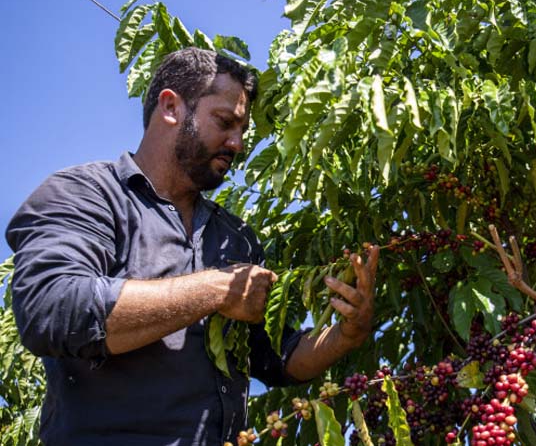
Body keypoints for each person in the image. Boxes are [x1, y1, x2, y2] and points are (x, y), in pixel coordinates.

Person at [6, 47, 379, 445]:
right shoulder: (86, 194)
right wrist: (216, 289)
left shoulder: (235, 238)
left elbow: (274, 356)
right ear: (171, 108)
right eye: (225, 122)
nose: (237, 143)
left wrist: (347, 333)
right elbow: (52, 309)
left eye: (243, 131)